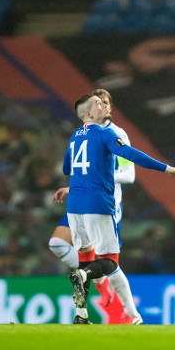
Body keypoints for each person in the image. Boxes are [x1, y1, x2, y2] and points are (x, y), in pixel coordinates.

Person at [52, 94, 175, 324]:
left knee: (86, 258)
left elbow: (68, 167)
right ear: (88, 114)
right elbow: (130, 154)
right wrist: (166, 168)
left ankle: (81, 314)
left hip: (74, 207)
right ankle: (94, 284)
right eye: (98, 104)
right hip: (97, 204)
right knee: (110, 262)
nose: (104, 106)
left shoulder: (75, 137)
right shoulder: (107, 133)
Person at [48, 89, 136, 323]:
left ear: (111, 107)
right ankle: (94, 279)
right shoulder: (83, 134)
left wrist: (101, 176)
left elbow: (129, 174)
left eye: (105, 103)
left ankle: (129, 313)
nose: (102, 107)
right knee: (57, 243)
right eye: (98, 104)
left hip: (105, 203)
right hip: (81, 199)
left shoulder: (117, 134)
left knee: (110, 262)